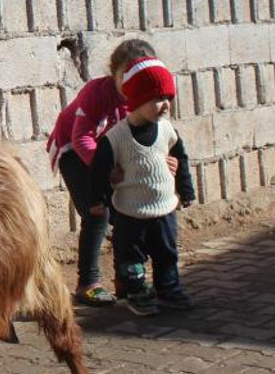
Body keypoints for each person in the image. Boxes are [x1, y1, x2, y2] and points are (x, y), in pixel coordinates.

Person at [46, 39, 160, 307]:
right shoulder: (97, 92)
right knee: (98, 211)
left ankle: (128, 279)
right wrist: (106, 172)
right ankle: (88, 282)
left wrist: (165, 161)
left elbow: (153, 136)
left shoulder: (148, 99)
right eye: (127, 76)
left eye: (142, 77)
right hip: (74, 150)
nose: (134, 84)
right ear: (114, 73)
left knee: (129, 211)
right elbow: (82, 136)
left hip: (109, 154)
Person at [88, 57, 197, 317]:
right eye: (158, 98)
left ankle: (169, 288)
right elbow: (99, 170)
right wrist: (97, 200)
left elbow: (180, 158)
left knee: (167, 253)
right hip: (130, 213)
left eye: (169, 98)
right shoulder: (116, 137)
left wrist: (186, 190)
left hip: (164, 210)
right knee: (130, 259)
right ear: (137, 99)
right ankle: (137, 293)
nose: (165, 105)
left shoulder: (167, 130)